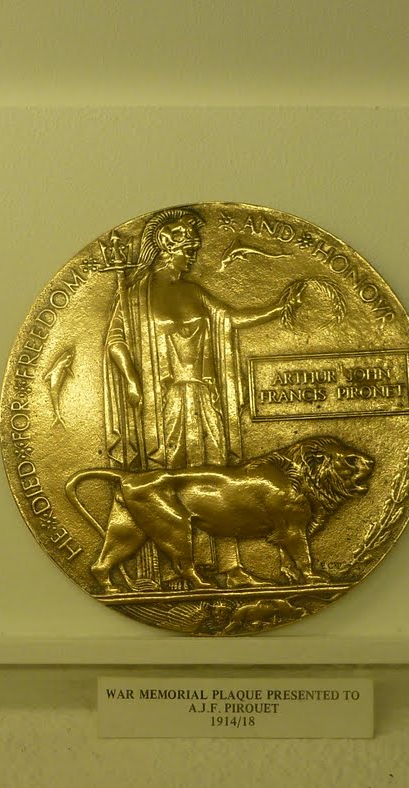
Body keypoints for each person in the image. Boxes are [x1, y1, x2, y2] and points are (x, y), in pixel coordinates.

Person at [100, 208, 299, 588]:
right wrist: (131, 381)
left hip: (205, 398)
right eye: (188, 248)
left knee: (218, 479)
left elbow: (230, 319)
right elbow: (116, 341)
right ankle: (178, 568)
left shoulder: (193, 292)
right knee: (169, 483)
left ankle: (230, 567)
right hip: (163, 402)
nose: (193, 255)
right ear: (166, 245)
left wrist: (275, 309)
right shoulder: (135, 296)